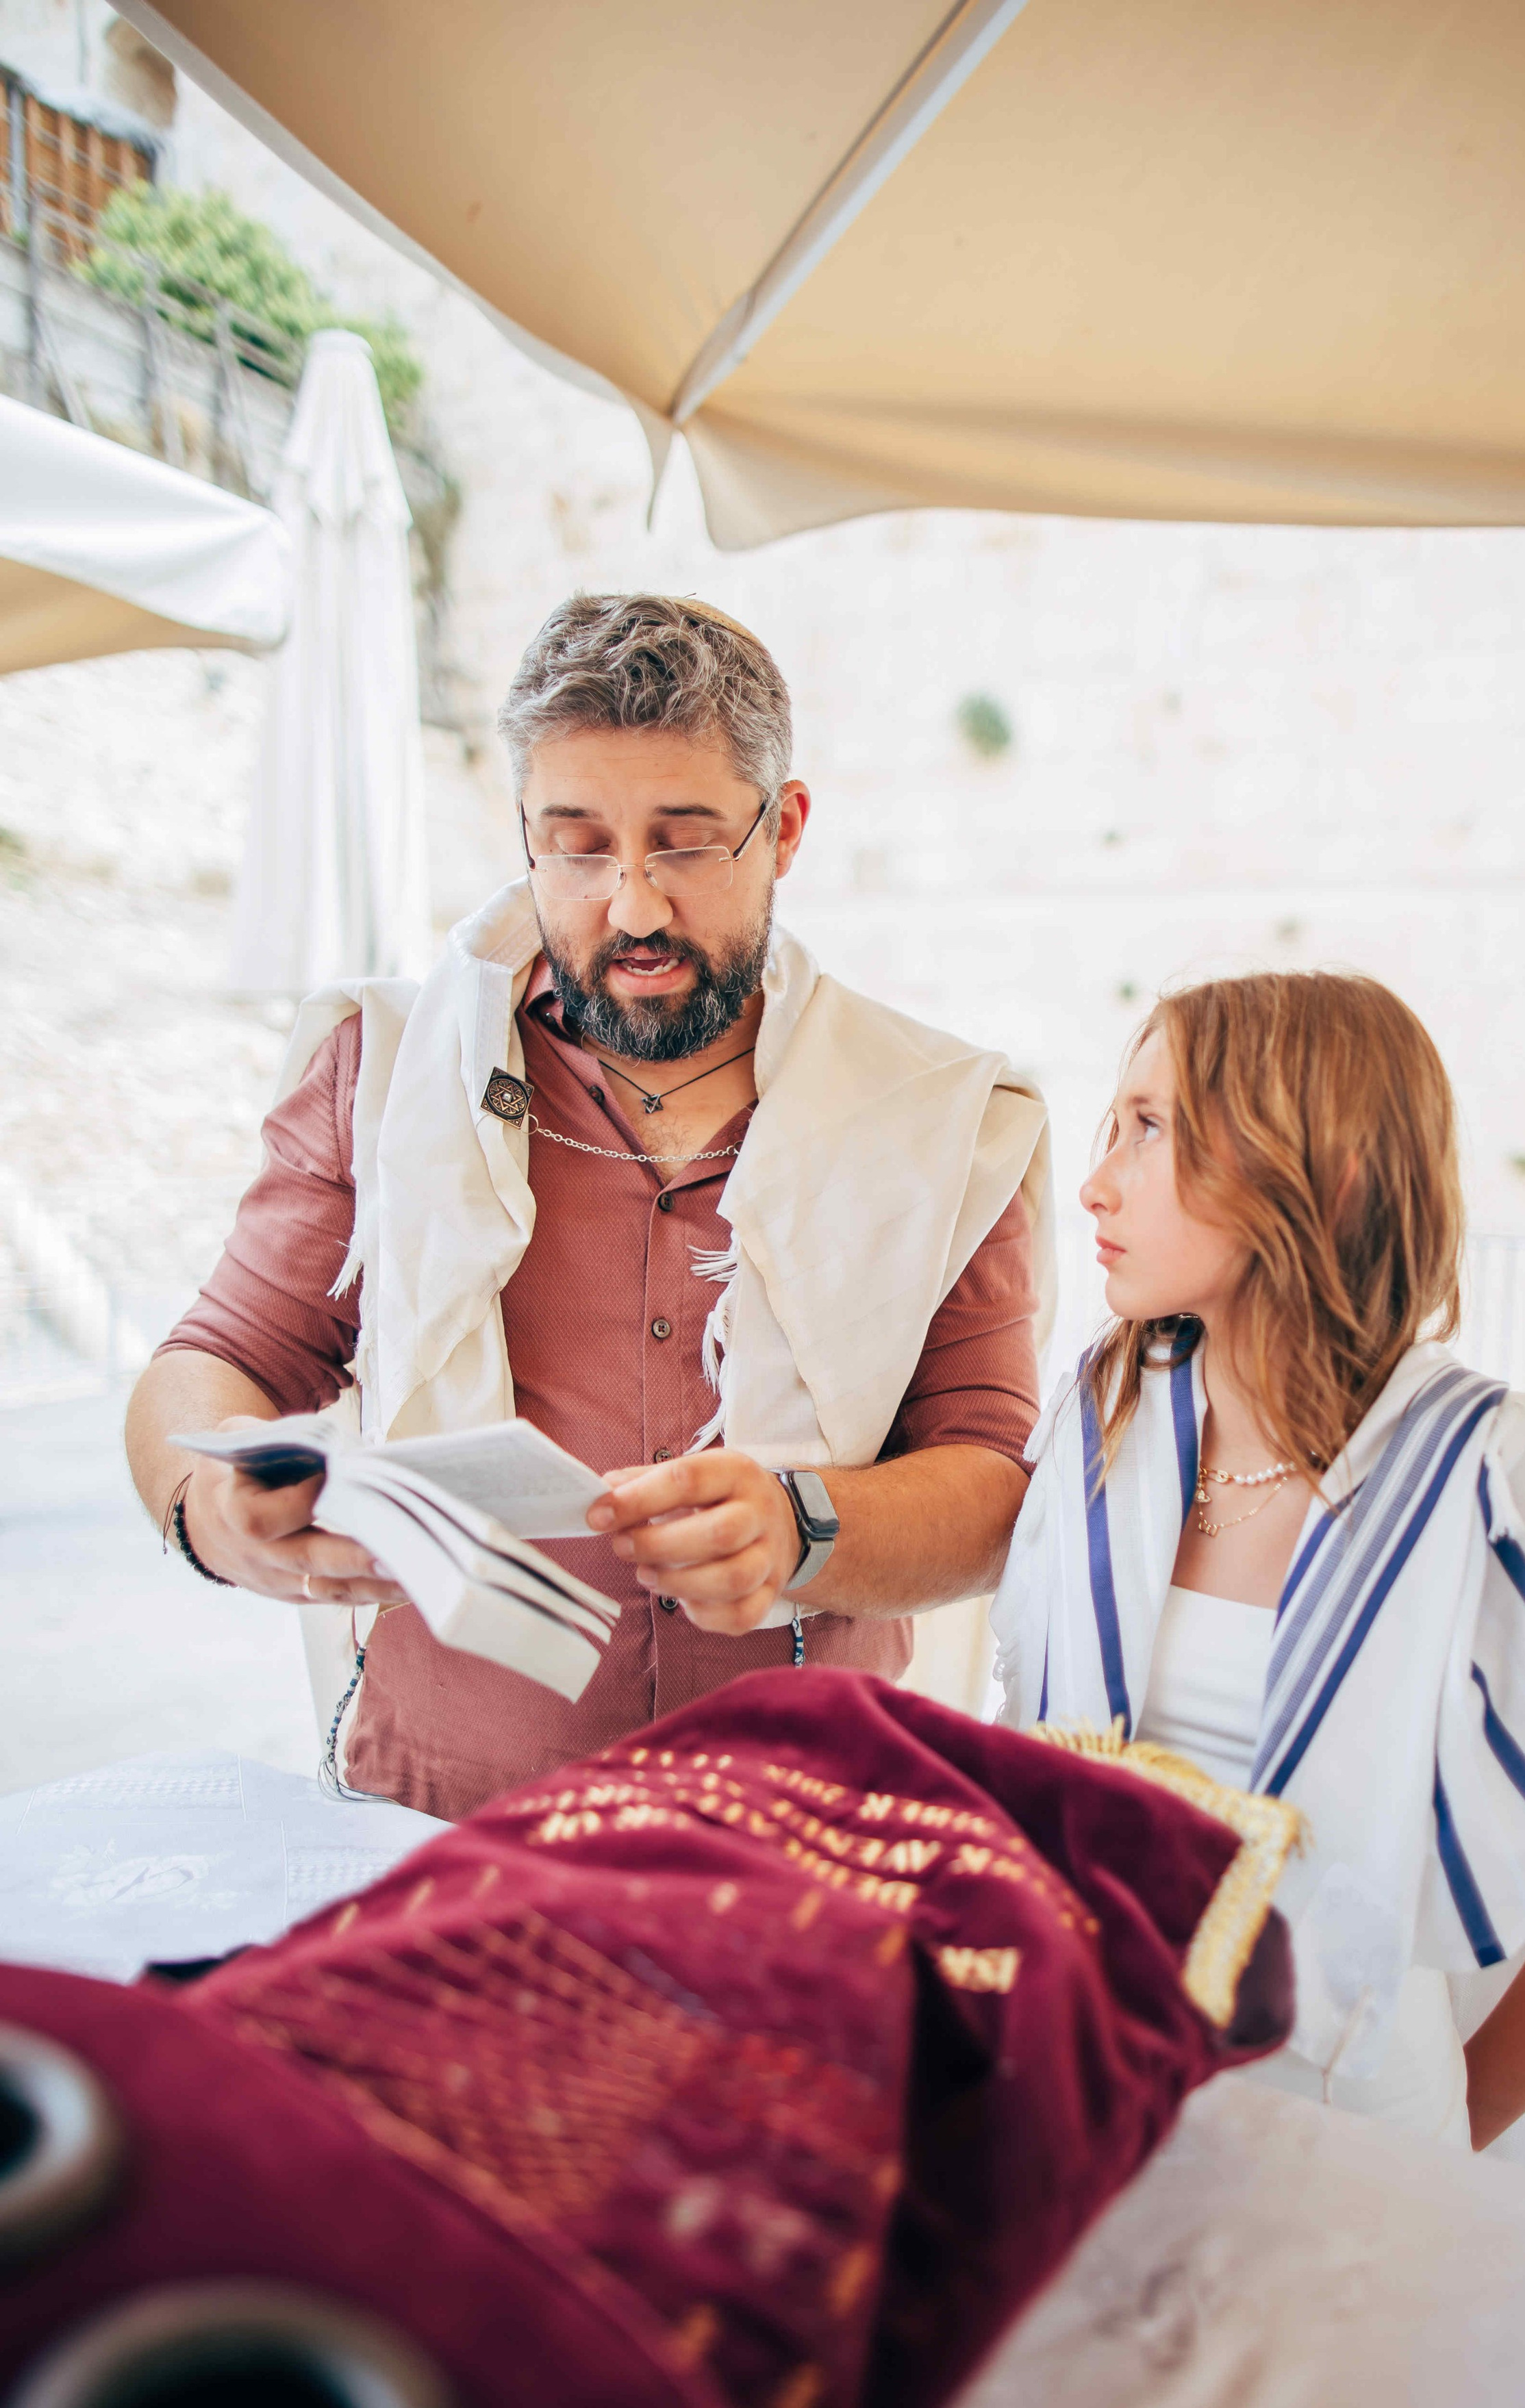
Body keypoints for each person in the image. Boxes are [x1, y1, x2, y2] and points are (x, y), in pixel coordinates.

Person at [127, 595, 1053, 1818]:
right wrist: (211, 1514)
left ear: (784, 829)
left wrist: (802, 1526)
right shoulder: (384, 1071)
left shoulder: (939, 1115)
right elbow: (218, 1359)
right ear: (524, 832)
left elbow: (991, 1484)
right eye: (577, 846)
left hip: (806, 1831)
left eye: (685, 844)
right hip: (439, 1828)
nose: (633, 908)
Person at [992, 970, 1525, 2161]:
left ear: (1324, 1167)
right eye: (1115, 1124)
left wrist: (1437, 2152)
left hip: (1358, 2152)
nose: (1097, 1183)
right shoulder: (1102, 1424)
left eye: (1151, 1128)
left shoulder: (1493, 1487)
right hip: (1094, 2120)